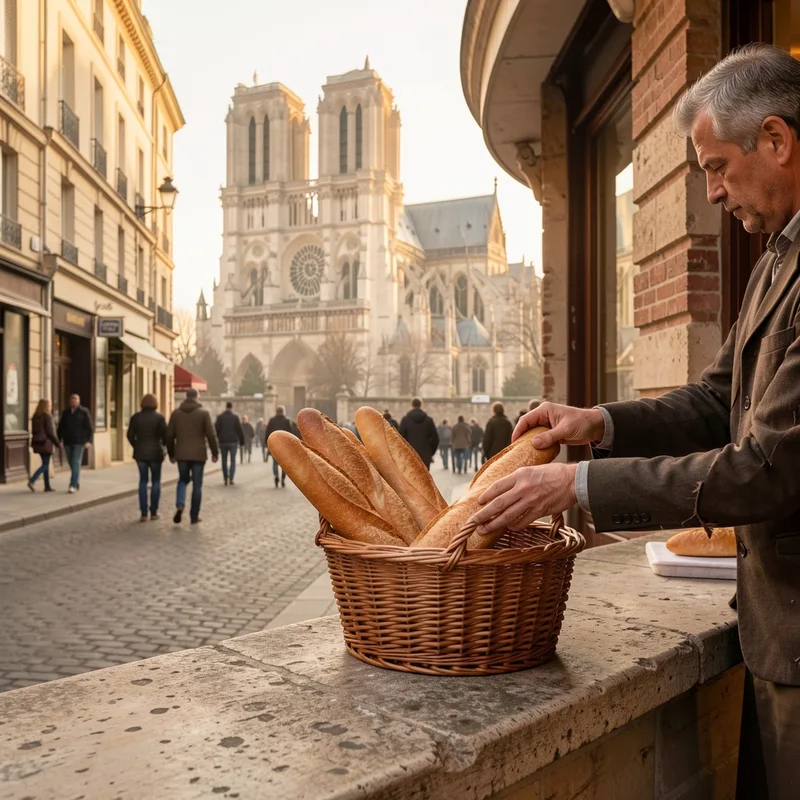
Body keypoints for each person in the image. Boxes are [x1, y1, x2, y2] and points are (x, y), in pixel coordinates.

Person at [469, 45, 800, 799]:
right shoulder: (776, 260)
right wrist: (598, 422)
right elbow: (716, 401)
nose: (712, 193)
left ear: (776, 142)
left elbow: (766, 472)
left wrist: (577, 485)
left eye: (716, 167)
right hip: (776, 641)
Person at [166, 388, 219, 525]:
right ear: (197, 397)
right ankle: (194, 516)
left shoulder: (176, 414)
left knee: (182, 480)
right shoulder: (203, 413)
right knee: (197, 485)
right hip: (198, 454)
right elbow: (211, 435)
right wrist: (215, 452)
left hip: (182, 454)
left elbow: (169, 436)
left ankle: (180, 504)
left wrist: (171, 454)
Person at [126, 394, 167, 521]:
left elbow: (130, 435)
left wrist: (136, 445)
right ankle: (153, 512)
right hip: (155, 453)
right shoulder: (159, 418)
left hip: (141, 453)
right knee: (156, 481)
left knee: (143, 481)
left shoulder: (136, 417)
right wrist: (164, 448)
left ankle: (143, 513)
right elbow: (165, 435)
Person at [57, 393, 93, 494]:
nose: (74, 402)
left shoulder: (84, 412)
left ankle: (72, 485)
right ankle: (76, 482)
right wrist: (59, 440)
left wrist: (89, 441)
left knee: (76, 462)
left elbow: (90, 427)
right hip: (68, 441)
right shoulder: (66, 412)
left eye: (76, 400)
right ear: (70, 401)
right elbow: (61, 426)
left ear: (79, 401)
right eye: (72, 400)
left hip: (79, 442)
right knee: (71, 463)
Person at [28, 399, 60, 493]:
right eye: (49, 405)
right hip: (46, 443)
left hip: (37, 443)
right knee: (45, 464)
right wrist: (57, 443)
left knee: (45, 463)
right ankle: (32, 480)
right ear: (46, 406)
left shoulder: (35, 416)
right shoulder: (47, 416)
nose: (50, 406)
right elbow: (50, 432)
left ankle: (47, 486)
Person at [399, 398, 439, 470]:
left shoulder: (405, 420)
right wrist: (430, 452)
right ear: (421, 405)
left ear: (412, 405)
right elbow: (435, 439)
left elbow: (399, 438)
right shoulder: (428, 420)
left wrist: (403, 452)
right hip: (425, 455)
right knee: (424, 479)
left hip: (410, 455)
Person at [215, 401, 245, 486]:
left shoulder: (220, 417)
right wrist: (242, 442)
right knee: (232, 460)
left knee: (224, 461)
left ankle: (225, 478)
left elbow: (216, 428)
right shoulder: (235, 417)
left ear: (226, 407)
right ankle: (231, 478)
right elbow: (240, 430)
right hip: (233, 441)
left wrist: (218, 437)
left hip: (223, 441)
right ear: (232, 407)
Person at [265, 406, 293, 487]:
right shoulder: (287, 421)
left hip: (274, 444)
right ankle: (283, 478)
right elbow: (290, 434)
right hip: (284, 445)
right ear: (283, 411)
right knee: (284, 464)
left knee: (275, 463)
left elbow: (267, 432)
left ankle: (276, 476)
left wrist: (267, 443)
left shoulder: (272, 420)